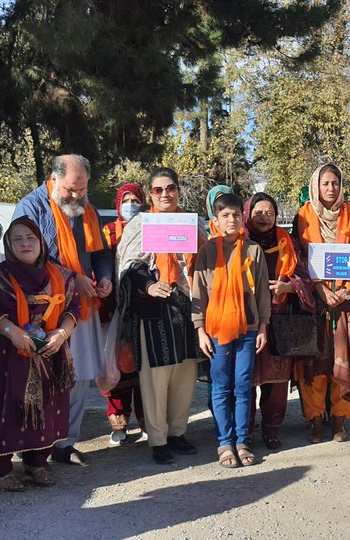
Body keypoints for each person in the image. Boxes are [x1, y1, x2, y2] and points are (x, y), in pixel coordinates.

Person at [0, 217, 80, 491]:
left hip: (48, 353)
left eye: (30, 238)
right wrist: (11, 330)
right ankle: (3, 471)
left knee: (47, 408)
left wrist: (61, 333)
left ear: (41, 242)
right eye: (17, 239)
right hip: (3, 356)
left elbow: (73, 307)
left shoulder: (61, 276)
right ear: (9, 245)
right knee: (4, 408)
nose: (25, 244)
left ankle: (36, 463)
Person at [12, 154, 113, 465]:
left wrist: (105, 277)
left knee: (78, 375)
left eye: (82, 189)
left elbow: (101, 253)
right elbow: (26, 256)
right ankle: (34, 446)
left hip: (82, 306)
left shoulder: (88, 209)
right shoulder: (31, 207)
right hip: (43, 309)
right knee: (42, 377)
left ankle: (64, 444)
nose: (77, 196)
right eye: (71, 189)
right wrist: (72, 277)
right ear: (53, 179)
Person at [114, 167, 207, 464]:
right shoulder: (141, 224)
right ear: (150, 194)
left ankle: (178, 432)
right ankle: (158, 439)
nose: (165, 194)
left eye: (170, 188)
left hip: (189, 305)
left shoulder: (194, 223)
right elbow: (130, 265)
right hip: (154, 308)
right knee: (156, 378)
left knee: (185, 374)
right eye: (158, 190)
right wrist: (149, 285)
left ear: (178, 190)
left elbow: (206, 261)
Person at [293, 162, 350, 443]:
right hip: (313, 303)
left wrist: (345, 292)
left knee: (344, 359)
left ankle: (340, 419)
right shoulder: (303, 216)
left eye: (335, 183)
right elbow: (297, 260)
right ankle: (315, 419)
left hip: (346, 302)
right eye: (325, 183)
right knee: (314, 361)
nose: (331, 188)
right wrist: (319, 289)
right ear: (315, 186)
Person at [192, 193, 272, 467]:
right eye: (225, 215)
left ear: (242, 218)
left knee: (243, 386)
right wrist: (200, 330)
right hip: (216, 330)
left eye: (236, 215)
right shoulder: (207, 251)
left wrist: (263, 326)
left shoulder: (253, 250)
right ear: (215, 220)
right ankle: (224, 442)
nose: (231, 220)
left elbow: (262, 292)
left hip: (248, 328)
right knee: (221, 386)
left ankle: (242, 440)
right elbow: (199, 292)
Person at [245, 192, 313, 449]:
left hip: (279, 320)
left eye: (270, 213)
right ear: (247, 214)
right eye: (258, 213)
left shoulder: (287, 241)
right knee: (245, 379)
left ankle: (271, 429)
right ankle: (245, 430)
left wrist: (288, 287)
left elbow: (305, 277)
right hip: (246, 319)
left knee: (276, 381)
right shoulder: (239, 242)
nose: (264, 218)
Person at [99, 182, 147, 446]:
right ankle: (119, 423)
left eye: (135, 200)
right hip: (115, 306)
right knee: (116, 363)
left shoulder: (149, 227)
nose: (130, 205)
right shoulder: (107, 232)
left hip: (144, 305)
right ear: (118, 204)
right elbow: (101, 264)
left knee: (143, 367)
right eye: (126, 200)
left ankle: (146, 421)